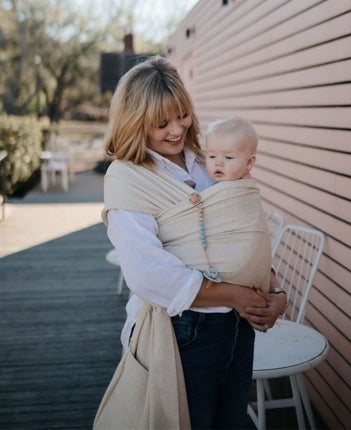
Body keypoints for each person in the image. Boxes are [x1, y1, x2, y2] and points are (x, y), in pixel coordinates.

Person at [101, 55, 287, 429]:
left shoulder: (207, 160)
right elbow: (149, 274)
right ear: (135, 122)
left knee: (230, 421)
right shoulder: (127, 179)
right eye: (161, 123)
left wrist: (276, 291)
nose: (176, 129)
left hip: (237, 326)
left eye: (182, 115)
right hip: (183, 331)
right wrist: (235, 294)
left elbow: (241, 235)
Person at [205, 117, 258, 182]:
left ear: (249, 162)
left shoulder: (239, 190)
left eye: (228, 157)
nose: (218, 163)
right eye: (212, 156)